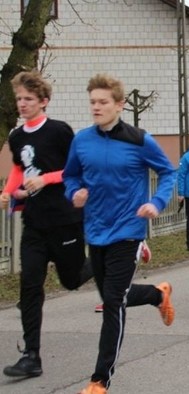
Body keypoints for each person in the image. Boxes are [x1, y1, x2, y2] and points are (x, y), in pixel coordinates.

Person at [63, 73, 176, 394]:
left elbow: (168, 172)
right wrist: (75, 193)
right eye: (92, 102)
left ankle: (100, 380)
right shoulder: (81, 140)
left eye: (102, 102)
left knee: (112, 302)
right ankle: (157, 294)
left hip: (128, 231)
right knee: (113, 295)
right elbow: (71, 177)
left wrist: (155, 202)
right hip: (95, 230)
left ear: (119, 105)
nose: (96, 108)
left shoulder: (139, 140)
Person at [1, 71, 93, 380]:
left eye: (28, 99)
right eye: (18, 99)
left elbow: (73, 169)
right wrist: (7, 191)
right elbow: (18, 168)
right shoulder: (16, 137)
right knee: (29, 286)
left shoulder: (59, 131)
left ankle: (106, 258)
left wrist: (45, 178)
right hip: (35, 222)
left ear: (44, 101)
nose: (22, 104)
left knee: (71, 280)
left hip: (65, 218)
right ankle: (32, 355)